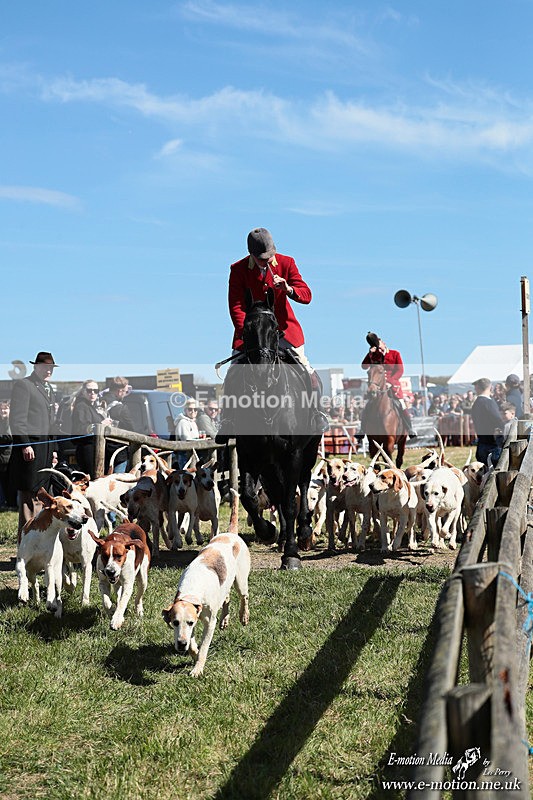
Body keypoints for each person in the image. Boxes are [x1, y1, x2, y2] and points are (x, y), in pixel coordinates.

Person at [217, 227, 328, 440]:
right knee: (233, 373)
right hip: (252, 334)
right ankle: (228, 420)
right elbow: (236, 306)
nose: (267, 261)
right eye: (262, 259)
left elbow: (307, 295)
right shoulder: (238, 269)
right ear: (251, 254)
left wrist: (288, 289)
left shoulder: (287, 263)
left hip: (284, 332)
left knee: (309, 373)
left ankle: (316, 414)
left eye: (270, 256)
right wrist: (249, 334)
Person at [9, 351, 58, 535]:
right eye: (45, 367)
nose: (48, 371)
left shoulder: (48, 388)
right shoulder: (24, 385)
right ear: (36, 367)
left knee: (42, 495)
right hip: (31, 449)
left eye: (51, 368)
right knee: (29, 497)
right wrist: (25, 444)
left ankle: (38, 541)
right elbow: (17, 419)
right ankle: (25, 542)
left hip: (45, 449)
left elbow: (51, 424)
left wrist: (54, 449)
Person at [359, 332, 416, 439]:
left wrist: (391, 381)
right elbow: (364, 366)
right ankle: (362, 430)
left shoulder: (395, 354)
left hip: (393, 387)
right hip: (378, 389)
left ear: (383, 343)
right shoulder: (374, 355)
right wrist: (369, 354)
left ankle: (410, 429)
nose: (378, 347)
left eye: (379, 344)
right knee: (367, 406)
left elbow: (400, 370)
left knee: (402, 405)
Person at [70, 380, 112, 477]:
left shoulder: (89, 406)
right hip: (88, 449)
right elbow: (81, 428)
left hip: (95, 448)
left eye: (96, 391)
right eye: (89, 390)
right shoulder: (82, 406)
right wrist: (101, 424)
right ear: (83, 391)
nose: (92, 393)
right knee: (92, 478)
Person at [101, 377, 135, 473]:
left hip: (98, 449)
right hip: (117, 451)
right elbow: (132, 429)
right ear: (120, 391)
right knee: (117, 479)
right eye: (125, 391)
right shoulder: (121, 409)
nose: (125, 394)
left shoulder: (97, 402)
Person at [470, 378, 505, 466]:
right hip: (492, 444)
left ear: (477, 388)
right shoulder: (488, 402)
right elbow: (498, 420)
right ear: (490, 387)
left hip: (482, 442)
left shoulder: (476, 403)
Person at [174, 397, 200, 468]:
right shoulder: (183, 422)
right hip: (184, 455)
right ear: (185, 410)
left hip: (192, 453)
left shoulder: (193, 422)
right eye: (190, 409)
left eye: (195, 409)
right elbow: (186, 439)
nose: (193, 411)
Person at [0, 400, 13, 508]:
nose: (3, 411)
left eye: (5, 408)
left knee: (8, 481)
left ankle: (10, 502)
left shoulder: (10, 422)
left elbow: (8, 437)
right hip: (2, 457)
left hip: (8, 456)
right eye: (1, 409)